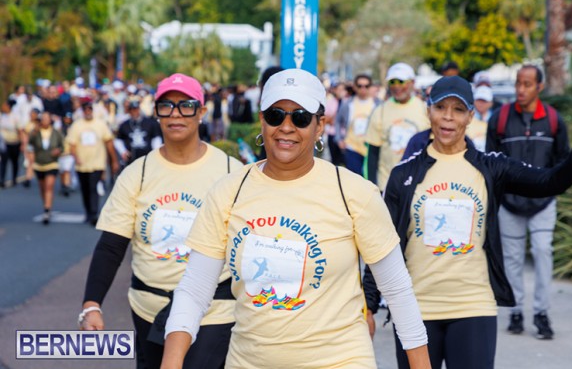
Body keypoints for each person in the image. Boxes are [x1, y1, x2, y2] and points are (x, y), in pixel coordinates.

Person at [161, 68, 431, 369]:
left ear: (319, 125)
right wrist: (171, 362)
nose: (286, 127)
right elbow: (195, 290)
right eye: (275, 115)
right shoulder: (229, 191)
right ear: (262, 121)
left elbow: (397, 290)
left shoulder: (353, 192)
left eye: (300, 117)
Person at [363, 75, 572, 369]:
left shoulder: (490, 167)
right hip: (415, 310)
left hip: (473, 308)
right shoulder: (403, 175)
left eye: (459, 110)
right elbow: (384, 245)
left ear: (471, 116)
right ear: (428, 110)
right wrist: (368, 305)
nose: (448, 117)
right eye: (441, 107)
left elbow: (549, 182)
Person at [80, 73, 243, 369]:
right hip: (148, 309)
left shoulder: (231, 171)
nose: (176, 114)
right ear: (156, 113)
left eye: (186, 106)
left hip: (214, 311)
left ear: (201, 112)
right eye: (166, 106)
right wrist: (92, 304)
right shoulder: (138, 173)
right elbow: (111, 245)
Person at [485, 65, 570, 339]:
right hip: (510, 204)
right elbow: (490, 162)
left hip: (543, 203)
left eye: (527, 84)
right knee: (512, 258)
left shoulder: (554, 120)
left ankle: (542, 313)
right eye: (518, 83)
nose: (520, 89)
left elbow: (563, 161)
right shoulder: (499, 119)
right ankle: (516, 312)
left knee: (543, 252)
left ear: (539, 87)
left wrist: (553, 187)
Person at [364, 62, 429, 191]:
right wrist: (371, 186)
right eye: (392, 82)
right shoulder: (380, 111)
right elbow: (372, 154)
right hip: (387, 185)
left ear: (412, 82)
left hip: (418, 185)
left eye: (401, 81)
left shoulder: (425, 109)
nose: (396, 86)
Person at [66, 98, 119, 225]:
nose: (88, 111)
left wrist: (114, 160)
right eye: (85, 109)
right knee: (85, 189)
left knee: (93, 187)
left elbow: (109, 142)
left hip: (97, 162)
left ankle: (94, 212)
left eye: (90, 109)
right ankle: (88, 212)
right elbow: (72, 144)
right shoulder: (77, 125)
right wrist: (76, 157)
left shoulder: (100, 124)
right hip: (82, 164)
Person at [336, 74, 381, 175]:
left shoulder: (378, 104)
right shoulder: (348, 104)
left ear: (370, 87)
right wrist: (339, 139)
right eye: (360, 86)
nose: (363, 89)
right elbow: (338, 121)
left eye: (366, 86)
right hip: (352, 148)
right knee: (354, 180)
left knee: (369, 180)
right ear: (355, 87)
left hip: (370, 149)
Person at [26, 111, 64, 224]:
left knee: (49, 186)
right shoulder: (36, 131)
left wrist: (58, 151)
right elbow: (29, 143)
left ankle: (47, 209)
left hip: (52, 163)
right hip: (39, 163)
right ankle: (46, 205)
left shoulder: (56, 132)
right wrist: (35, 131)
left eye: (47, 119)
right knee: (42, 187)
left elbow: (62, 146)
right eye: (43, 119)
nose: (45, 121)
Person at [115, 100, 162, 167]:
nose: (134, 112)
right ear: (129, 111)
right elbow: (118, 140)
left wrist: (155, 152)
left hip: (148, 157)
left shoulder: (150, 123)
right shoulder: (124, 125)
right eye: (132, 110)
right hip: (131, 159)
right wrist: (123, 151)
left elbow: (156, 138)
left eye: (136, 109)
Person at [0, 99, 21, 188]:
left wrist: (22, 143)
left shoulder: (15, 116)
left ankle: (14, 178)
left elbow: (20, 130)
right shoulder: (2, 116)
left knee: (14, 161)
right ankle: (2, 179)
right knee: (3, 161)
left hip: (14, 142)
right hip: (4, 143)